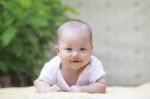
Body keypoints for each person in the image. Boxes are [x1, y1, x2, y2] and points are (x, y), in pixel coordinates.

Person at [34, 20, 106, 93]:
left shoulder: (93, 65)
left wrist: (83, 89)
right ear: (58, 51)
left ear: (91, 50)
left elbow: (101, 86)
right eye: (69, 49)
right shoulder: (54, 65)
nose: (75, 55)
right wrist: (48, 90)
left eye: (82, 49)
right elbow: (40, 82)